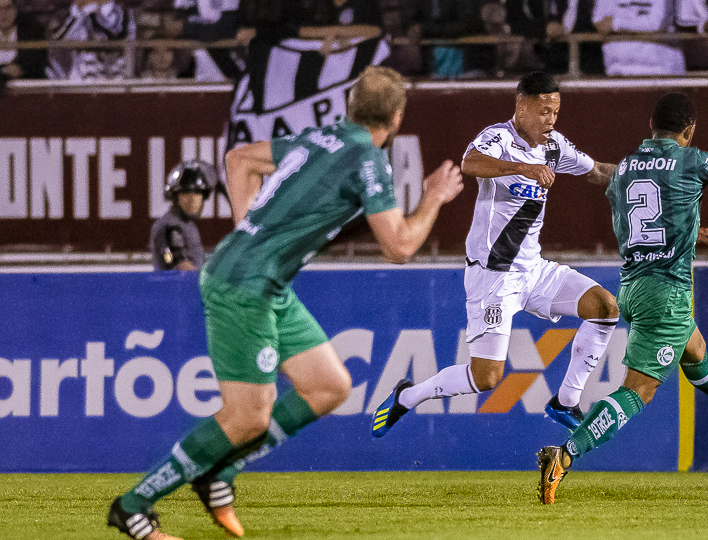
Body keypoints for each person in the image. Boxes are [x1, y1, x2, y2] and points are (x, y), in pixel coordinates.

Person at [107, 66, 463, 540]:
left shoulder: (319, 138)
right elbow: (399, 247)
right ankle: (133, 506)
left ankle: (219, 473)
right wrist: (432, 198)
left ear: (349, 106)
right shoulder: (368, 159)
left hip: (267, 283)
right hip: (245, 286)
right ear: (397, 118)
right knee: (247, 416)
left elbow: (238, 160)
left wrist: (249, 229)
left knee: (330, 385)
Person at [536, 93, 708, 505]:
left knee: (693, 348)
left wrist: (690, 228)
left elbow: (640, 215)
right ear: (689, 130)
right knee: (638, 391)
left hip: (631, 286)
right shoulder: (693, 159)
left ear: (652, 126)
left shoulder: (626, 168)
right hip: (666, 291)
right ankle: (565, 455)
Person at [371, 71, 621, 439]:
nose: (551, 119)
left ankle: (566, 402)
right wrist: (523, 167)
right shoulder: (499, 137)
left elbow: (598, 171)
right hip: (494, 276)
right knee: (486, 377)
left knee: (605, 308)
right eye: (543, 111)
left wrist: (646, 174)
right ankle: (408, 396)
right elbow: (471, 162)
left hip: (534, 270)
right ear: (521, 106)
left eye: (555, 111)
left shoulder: (555, 147)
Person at [150, 161, 214, 271]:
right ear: (174, 197)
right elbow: (181, 267)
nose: (192, 199)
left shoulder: (187, 224)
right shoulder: (169, 227)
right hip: (176, 288)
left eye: (198, 193)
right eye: (186, 193)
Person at [0, 0, 47, 86]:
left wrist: (20, 69)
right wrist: (4, 71)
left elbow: (38, 60)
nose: (3, 14)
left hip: (27, 87)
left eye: (7, 8)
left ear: (15, 8)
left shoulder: (32, 29)